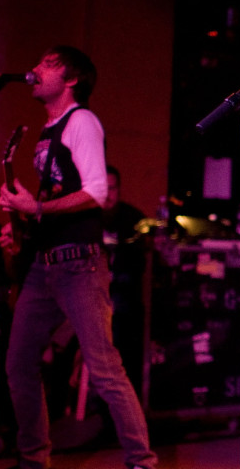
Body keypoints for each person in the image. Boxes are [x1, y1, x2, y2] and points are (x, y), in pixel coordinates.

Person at [0, 45, 156, 469]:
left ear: (70, 80)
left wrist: (38, 210)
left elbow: (97, 192)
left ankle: (142, 461)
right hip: (43, 266)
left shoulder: (81, 121)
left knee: (104, 371)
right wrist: (24, 223)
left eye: (47, 65)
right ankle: (34, 459)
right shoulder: (48, 131)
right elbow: (52, 196)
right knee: (18, 365)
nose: (33, 69)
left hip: (79, 265)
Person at [102, 165, 148, 393]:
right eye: (104, 188)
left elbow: (139, 269)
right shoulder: (86, 222)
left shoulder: (133, 220)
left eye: (113, 188)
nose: (109, 194)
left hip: (122, 305)